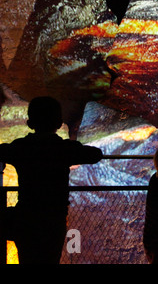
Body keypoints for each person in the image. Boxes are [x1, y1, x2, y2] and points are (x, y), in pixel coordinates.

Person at [0, 96, 103, 264]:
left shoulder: (21, 147)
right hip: (53, 219)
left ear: (30, 123)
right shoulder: (63, 149)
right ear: (58, 122)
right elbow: (95, 154)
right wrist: (72, 147)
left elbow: (4, 151)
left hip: (26, 216)